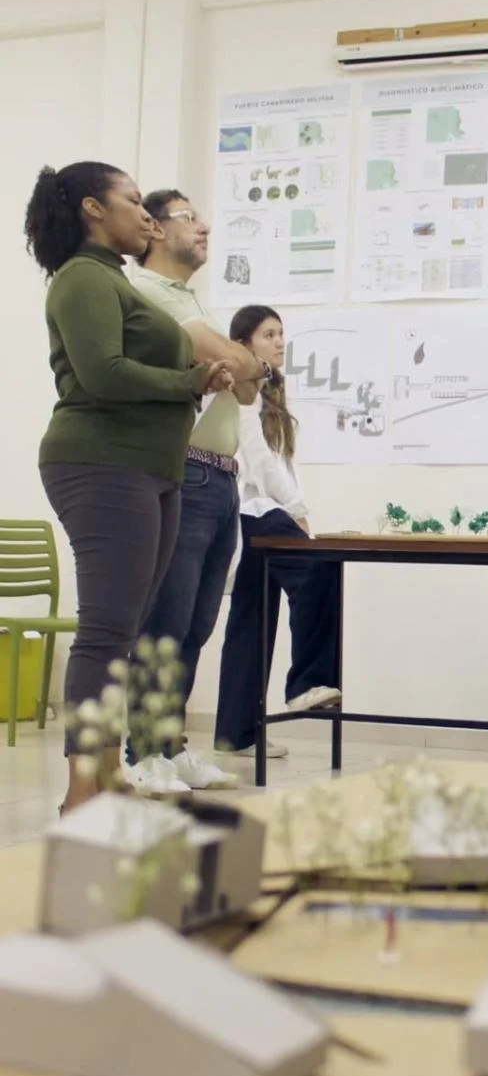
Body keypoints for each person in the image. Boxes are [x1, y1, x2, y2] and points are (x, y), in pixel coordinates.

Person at [26, 162, 234, 814]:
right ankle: (82, 787)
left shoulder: (116, 280)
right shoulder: (83, 279)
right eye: (134, 202)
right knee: (107, 630)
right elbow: (102, 375)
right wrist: (188, 382)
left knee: (126, 630)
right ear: (94, 209)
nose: (147, 215)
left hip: (149, 468)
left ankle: (109, 772)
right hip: (100, 462)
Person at [125, 190, 277, 792]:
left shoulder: (192, 299)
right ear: (155, 229)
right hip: (182, 468)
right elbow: (233, 366)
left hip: (221, 478)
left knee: (197, 624)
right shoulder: (150, 291)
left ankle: (171, 745)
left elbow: (243, 387)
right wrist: (241, 362)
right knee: (166, 621)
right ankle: (141, 754)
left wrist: (241, 364)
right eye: (190, 217)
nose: (205, 226)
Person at [214, 305, 341, 758]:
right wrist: (296, 511)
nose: (280, 342)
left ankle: (237, 732)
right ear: (245, 344)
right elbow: (260, 460)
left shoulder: (272, 390)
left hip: (264, 510)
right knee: (320, 569)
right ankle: (307, 681)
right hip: (254, 511)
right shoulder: (244, 386)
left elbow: (285, 461)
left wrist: (299, 508)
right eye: (269, 334)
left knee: (251, 619)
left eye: (282, 334)